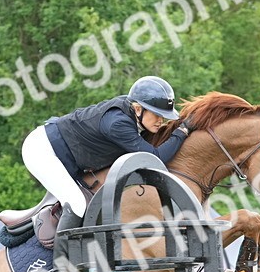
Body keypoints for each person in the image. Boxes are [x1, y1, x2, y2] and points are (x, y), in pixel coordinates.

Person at [17, 77, 191, 242]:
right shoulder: (118, 124)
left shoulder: (132, 111)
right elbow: (155, 158)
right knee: (77, 204)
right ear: (138, 109)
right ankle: (60, 265)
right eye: (157, 114)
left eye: (164, 115)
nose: (161, 120)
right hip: (42, 150)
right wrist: (181, 132)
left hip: (64, 153)